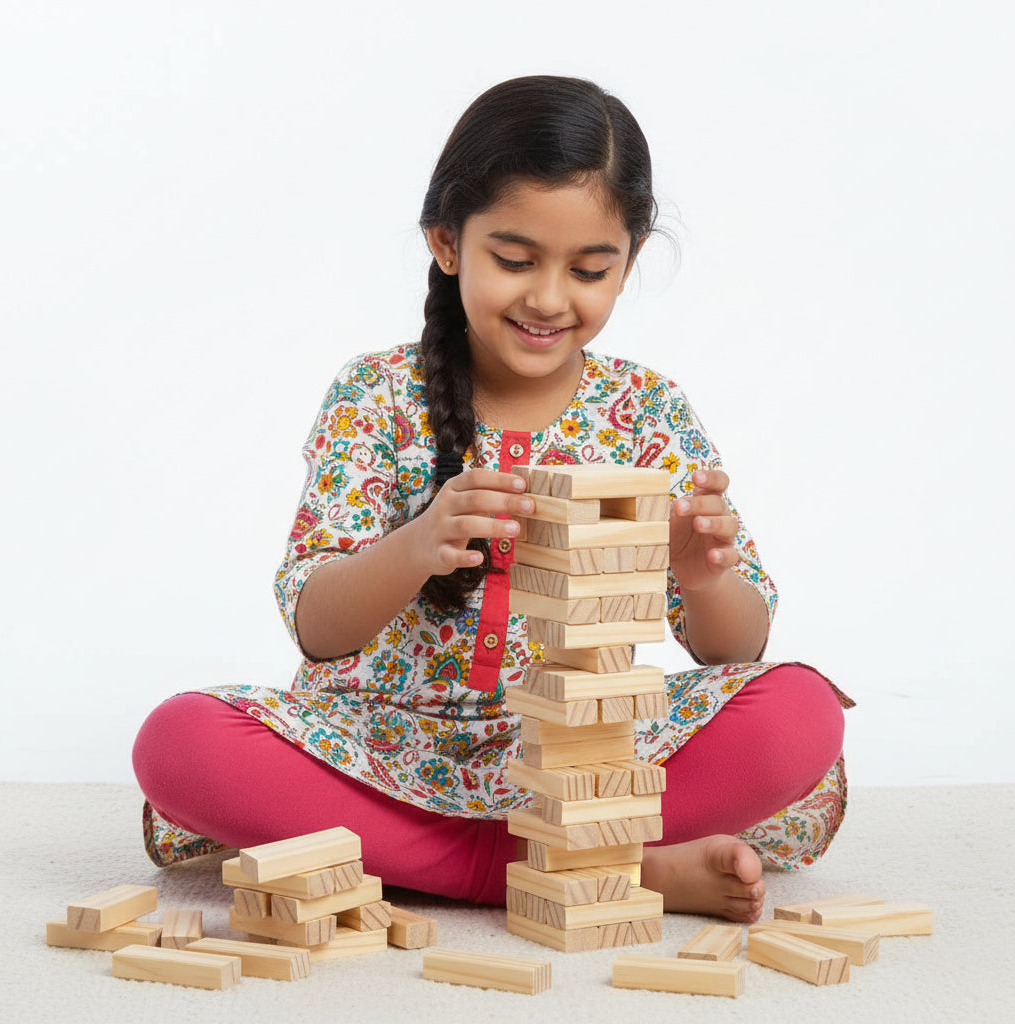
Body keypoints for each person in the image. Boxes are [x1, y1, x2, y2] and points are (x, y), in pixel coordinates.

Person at [133, 75, 850, 924]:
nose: (549, 298)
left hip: (581, 755)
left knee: (798, 713)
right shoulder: (374, 394)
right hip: (382, 745)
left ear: (633, 261)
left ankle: (477, 859)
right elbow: (317, 627)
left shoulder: (649, 412)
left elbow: (737, 649)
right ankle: (597, 867)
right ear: (446, 242)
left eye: (590, 269)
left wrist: (698, 576)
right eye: (514, 260)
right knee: (183, 742)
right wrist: (418, 544)